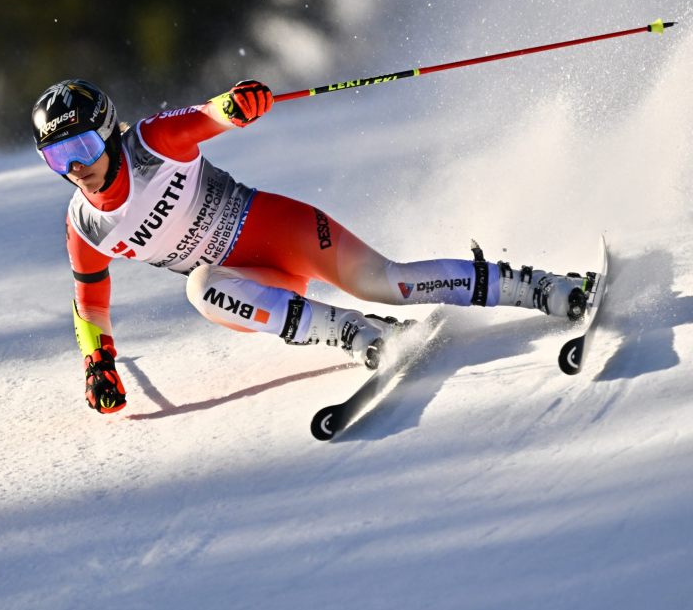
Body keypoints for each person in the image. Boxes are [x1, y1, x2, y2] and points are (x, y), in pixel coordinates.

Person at [31, 79, 594, 414]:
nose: (76, 167)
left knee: (388, 282)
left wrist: (237, 103)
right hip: (247, 282)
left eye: (80, 145)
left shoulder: (150, 144)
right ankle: (357, 334)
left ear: (106, 131)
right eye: (58, 157)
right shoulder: (87, 227)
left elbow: (206, 115)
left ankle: (538, 286)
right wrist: (98, 362)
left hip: (279, 231)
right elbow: (90, 301)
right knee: (202, 288)